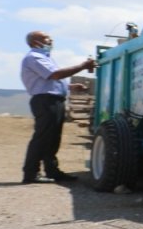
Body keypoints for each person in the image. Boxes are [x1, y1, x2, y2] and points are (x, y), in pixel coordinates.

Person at [20, 31, 96, 184]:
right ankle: (31, 173)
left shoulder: (45, 58)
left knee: (53, 138)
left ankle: (52, 171)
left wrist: (71, 86)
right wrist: (83, 66)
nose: (51, 41)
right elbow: (55, 75)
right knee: (42, 137)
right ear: (36, 42)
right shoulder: (34, 57)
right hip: (46, 101)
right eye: (47, 39)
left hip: (53, 100)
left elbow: (49, 81)